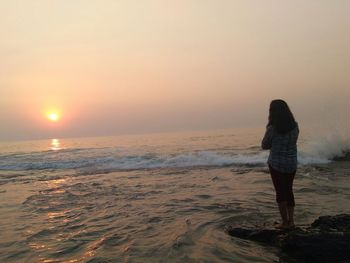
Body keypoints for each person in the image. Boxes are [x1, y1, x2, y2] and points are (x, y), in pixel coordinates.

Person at [262, 99, 299, 229]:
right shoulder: (295, 126)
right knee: (289, 190)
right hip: (291, 163)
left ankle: (285, 222)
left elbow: (264, 145)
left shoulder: (272, 128)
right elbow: (292, 142)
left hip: (276, 164)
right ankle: (292, 221)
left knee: (280, 192)